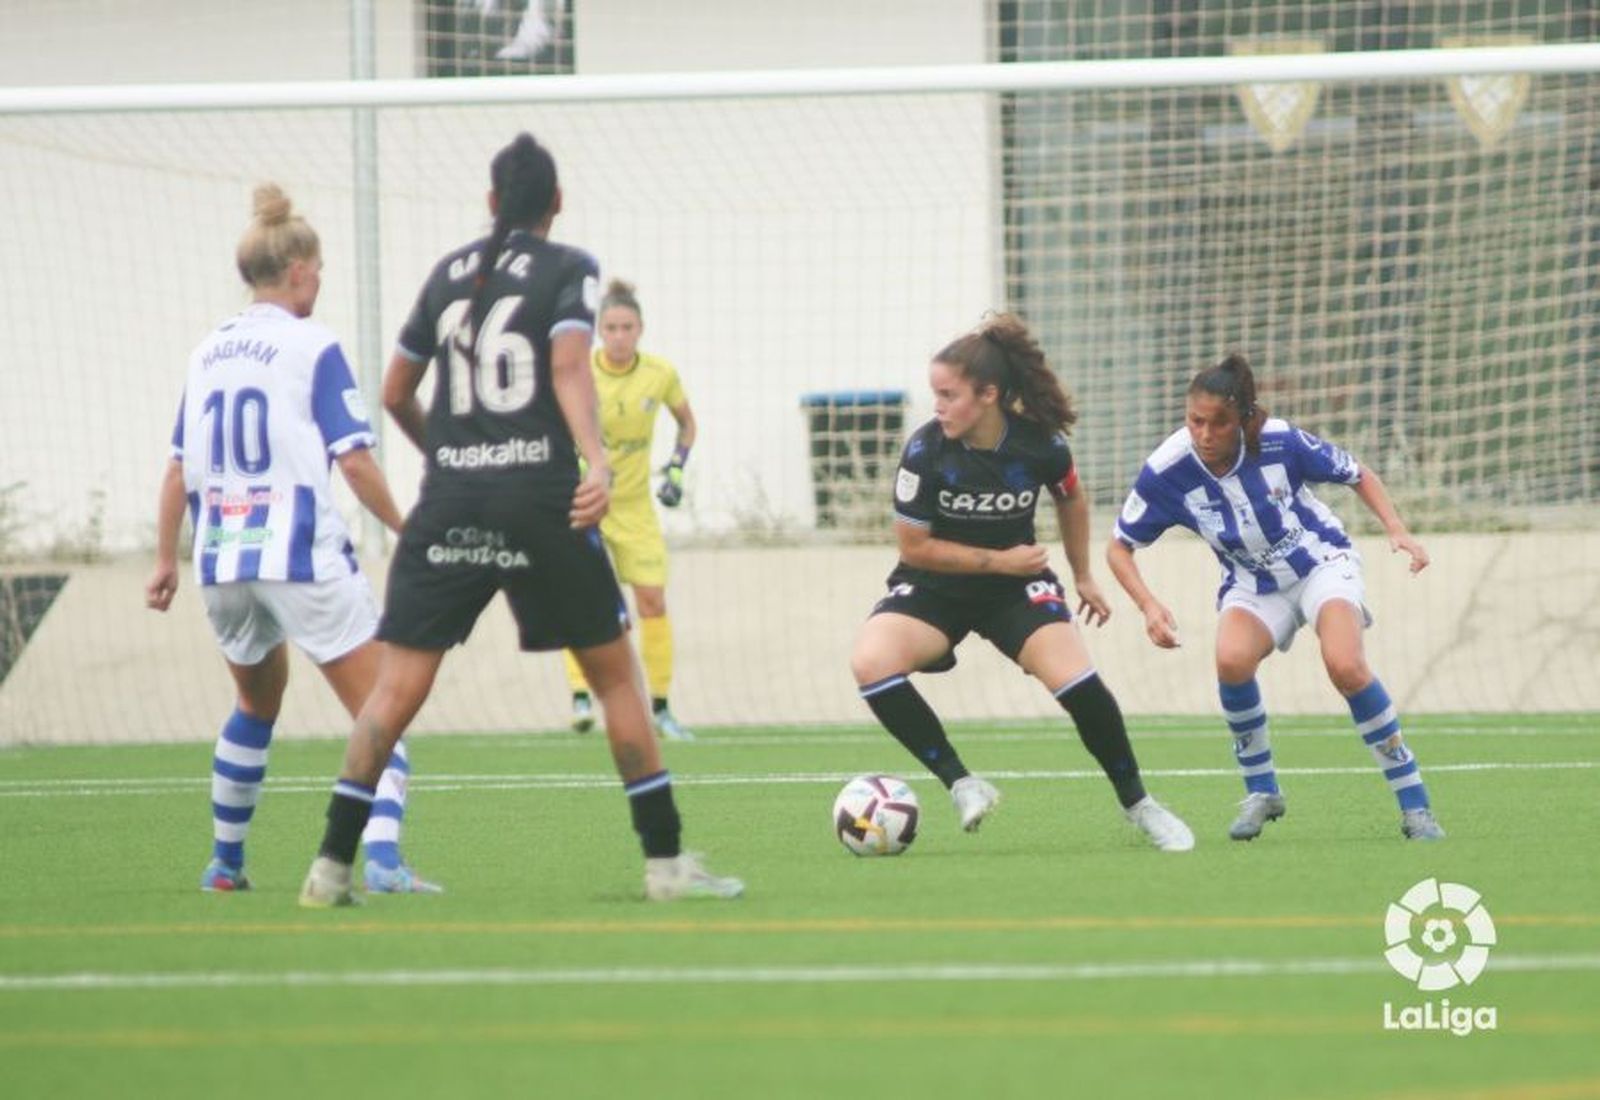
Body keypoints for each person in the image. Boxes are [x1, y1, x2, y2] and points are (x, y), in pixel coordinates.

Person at [297, 132, 742, 907]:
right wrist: (595, 462)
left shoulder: (447, 275)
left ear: (492, 203)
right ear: (557, 202)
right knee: (614, 679)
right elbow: (570, 365)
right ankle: (666, 863)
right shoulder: (568, 268)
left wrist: (453, 454)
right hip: (542, 497)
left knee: (394, 690)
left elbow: (396, 391)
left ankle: (329, 868)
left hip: (450, 503)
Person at [146, 184, 442, 895]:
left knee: (254, 705)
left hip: (222, 561)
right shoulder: (313, 345)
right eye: (321, 268)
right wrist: (410, 528)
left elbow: (179, 468)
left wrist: (165, 558)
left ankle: (226, 864)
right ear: (301, 269)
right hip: (299, 556)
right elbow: (355, 457)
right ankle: (383, 863)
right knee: (384, 710)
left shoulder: (208, 352)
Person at [848, 313, 1195, 852]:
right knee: (871, 663)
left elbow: (1071, 496)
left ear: (987, 394)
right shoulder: (924, 451)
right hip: (934, 586)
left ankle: (1140, 805)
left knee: (1081, 685)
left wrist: (1082, 575)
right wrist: (1000, 561)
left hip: (1016, 591)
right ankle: (963, 783)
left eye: (948, 394)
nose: (937, 406)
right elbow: (913, 547)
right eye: (934, 394)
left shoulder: (1039, 445)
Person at [1105, 351, 1444, 842]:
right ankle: (1262, 792)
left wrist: (1397, 529)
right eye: (1194, 421)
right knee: (1231, 661)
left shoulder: (1280, 442)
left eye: (1218, 423)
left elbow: (1357, 473)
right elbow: (1118, 548)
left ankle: (1416, 806)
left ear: (1242, 419)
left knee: (1345, 665)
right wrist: (1148, 606)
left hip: (1320, 563)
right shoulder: (1168, 470)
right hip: (1251, 581)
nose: (1203, 434)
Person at [561, 278, 697, 740]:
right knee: (585, 602)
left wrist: (676, 468)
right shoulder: (579, 371)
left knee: (652, 603)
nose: (619, 336)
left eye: (627, 327)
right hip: (590, 504)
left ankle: (660, 708)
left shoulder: (660, 374)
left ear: (640, 329)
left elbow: (687, 425)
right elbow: (559, 426)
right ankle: (581, 698)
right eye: (611, 327)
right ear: (599, 331)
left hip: (637, 509)